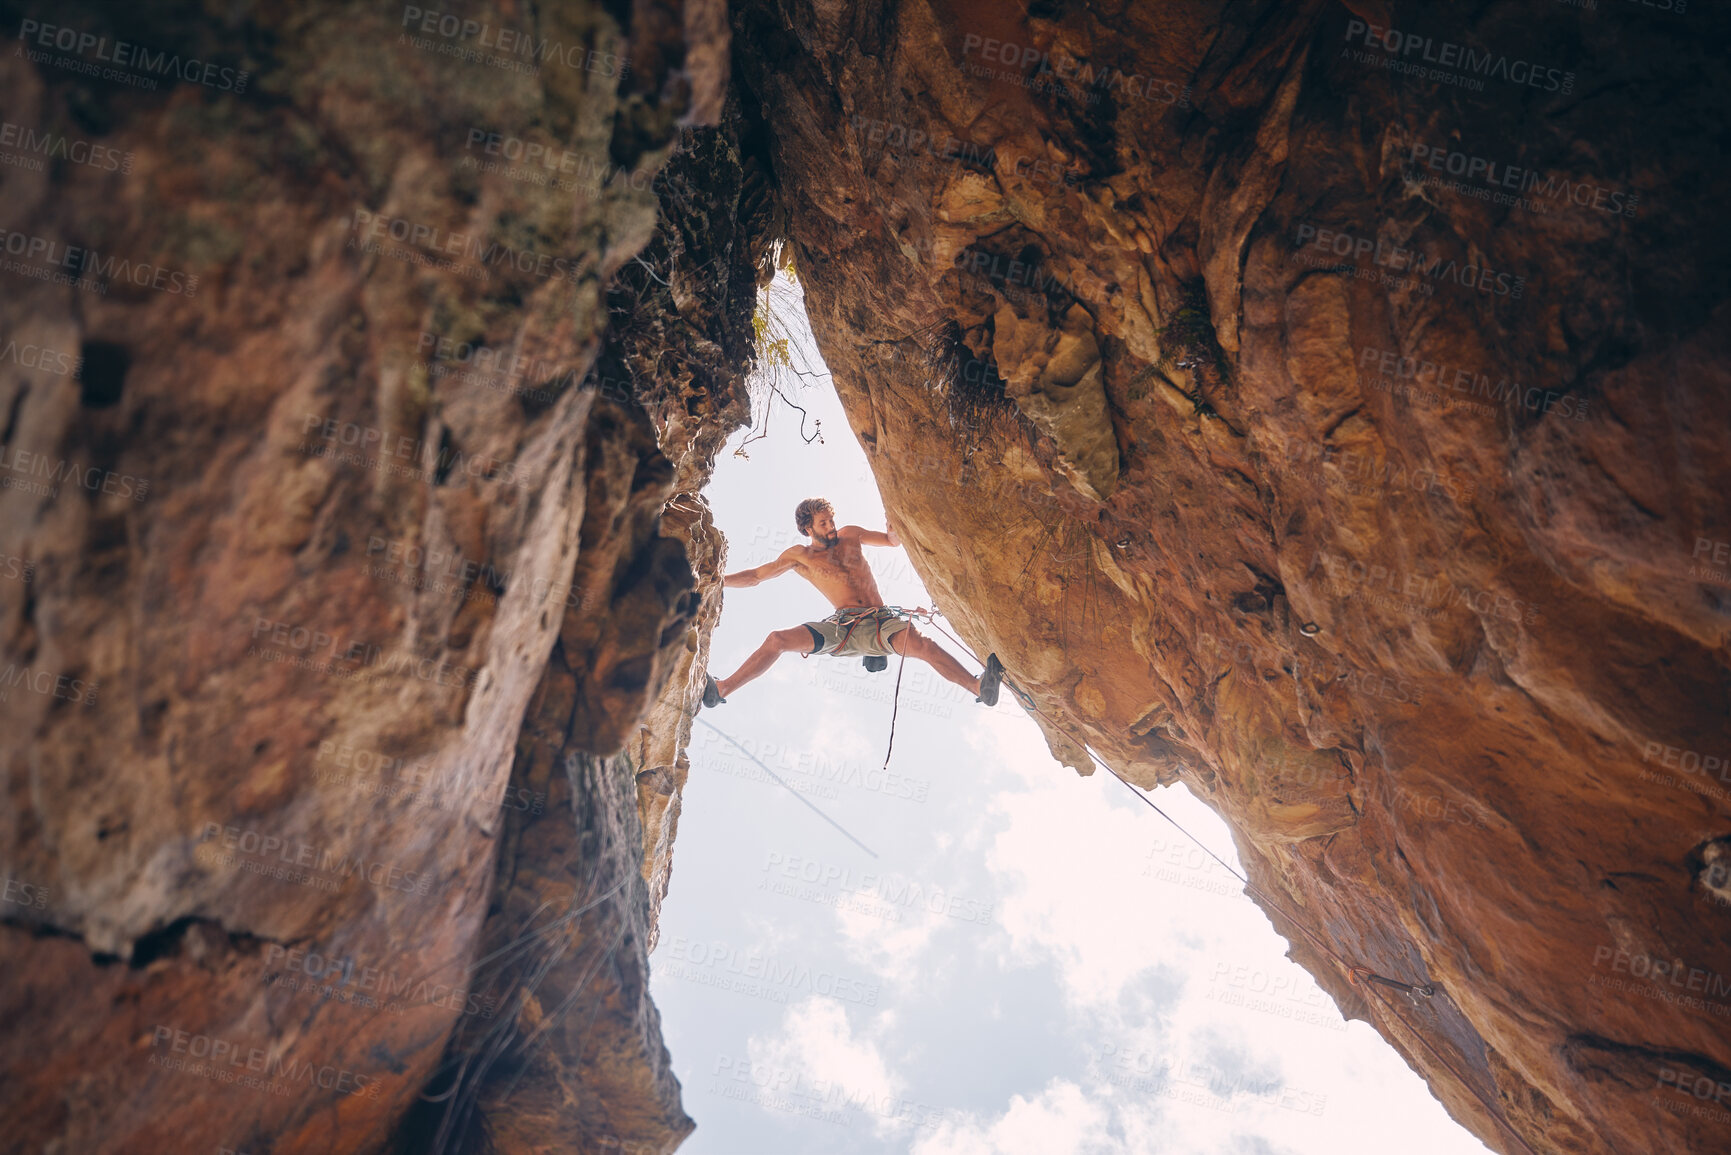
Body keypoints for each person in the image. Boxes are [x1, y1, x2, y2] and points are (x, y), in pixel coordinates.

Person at [702, 497, 1006, 708]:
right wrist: (719, 580)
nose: (832, 525)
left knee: (923, 646)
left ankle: (978, 687)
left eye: (831, 519)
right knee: (777, 640)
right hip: (843, 627)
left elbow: (891, 541)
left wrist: (893, 530)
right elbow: (757, 575)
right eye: (823, 522)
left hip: (882, 621)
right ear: (808, 529)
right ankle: (722, 689)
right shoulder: (800, 557)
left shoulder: (850, 535)